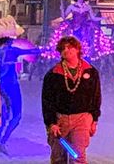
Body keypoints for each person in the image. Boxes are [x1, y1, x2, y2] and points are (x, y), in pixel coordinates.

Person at [42, 36, 101, 164]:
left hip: (82, 118)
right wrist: (51, 123)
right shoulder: (53, 74)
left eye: (70, 47)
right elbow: (47, 101)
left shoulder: (90, 71)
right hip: (60, 119)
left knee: (78, 157)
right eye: (63, 48)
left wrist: (94, 119)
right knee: (58, 158)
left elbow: (96, 97)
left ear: (77, 49)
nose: (66, 50)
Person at [0, 17, 38, 151]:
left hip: (1, 86)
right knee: (15, 115)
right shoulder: (12, 51)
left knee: (3, 115)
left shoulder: (1, 51)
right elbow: (33, 51)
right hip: (10, 86)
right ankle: (1, 141)